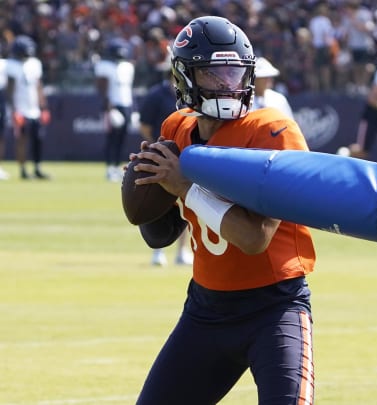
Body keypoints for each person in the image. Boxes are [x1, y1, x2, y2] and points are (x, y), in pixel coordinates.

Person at [129, 16, 315, 404]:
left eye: (235, 73)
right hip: (206, 309)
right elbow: (156, 226)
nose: (228, 85)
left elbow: (254, 238)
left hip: (274, 306)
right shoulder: (176, 128)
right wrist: (152, 191)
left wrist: (183, 186)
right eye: (215, 74)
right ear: (186, 78)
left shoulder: (271, 131)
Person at [137, 66, 193, 267]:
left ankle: (182, 251)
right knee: (159, 205)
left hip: (185, 158)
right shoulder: (156, 95)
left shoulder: (191, 94)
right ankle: (158, 252)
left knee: (187, 204)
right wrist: (157, 147)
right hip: (160, 156)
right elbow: (144, 124)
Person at [6, 35, 51, 180]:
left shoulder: (34, 64)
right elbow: (10, 90)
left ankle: (37, 168)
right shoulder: (12, 66)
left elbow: (38, 86)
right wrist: (14, 111)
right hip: (21, 108)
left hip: (34, 109)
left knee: (38, 139)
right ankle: (23, 170)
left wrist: (43, 107)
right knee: (22, 140)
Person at [95, 38, 135, 182]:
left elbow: (129, 89)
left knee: (121, 139)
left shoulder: (128, 67)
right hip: (112, 105)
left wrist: (132, 108)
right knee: (112, 138)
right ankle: (109, 168)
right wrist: (109, 107)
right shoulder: (104, 66)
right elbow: (102, 89)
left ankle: (117, 167)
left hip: (126, 104)